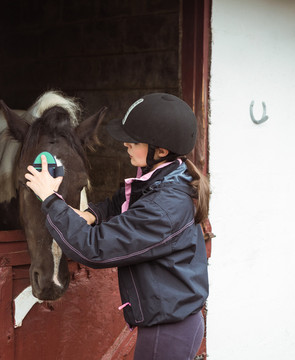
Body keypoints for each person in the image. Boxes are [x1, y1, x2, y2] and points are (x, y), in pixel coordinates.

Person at [25, 93, 210, 360]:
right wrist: (89, 214)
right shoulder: (164, 177)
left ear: (160, 151)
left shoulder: (163, 208)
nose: (125, 143)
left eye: (134, 141)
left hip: (168, 331)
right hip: (167, 322)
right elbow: (121, 201)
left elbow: (94, 249)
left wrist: (51, 199)